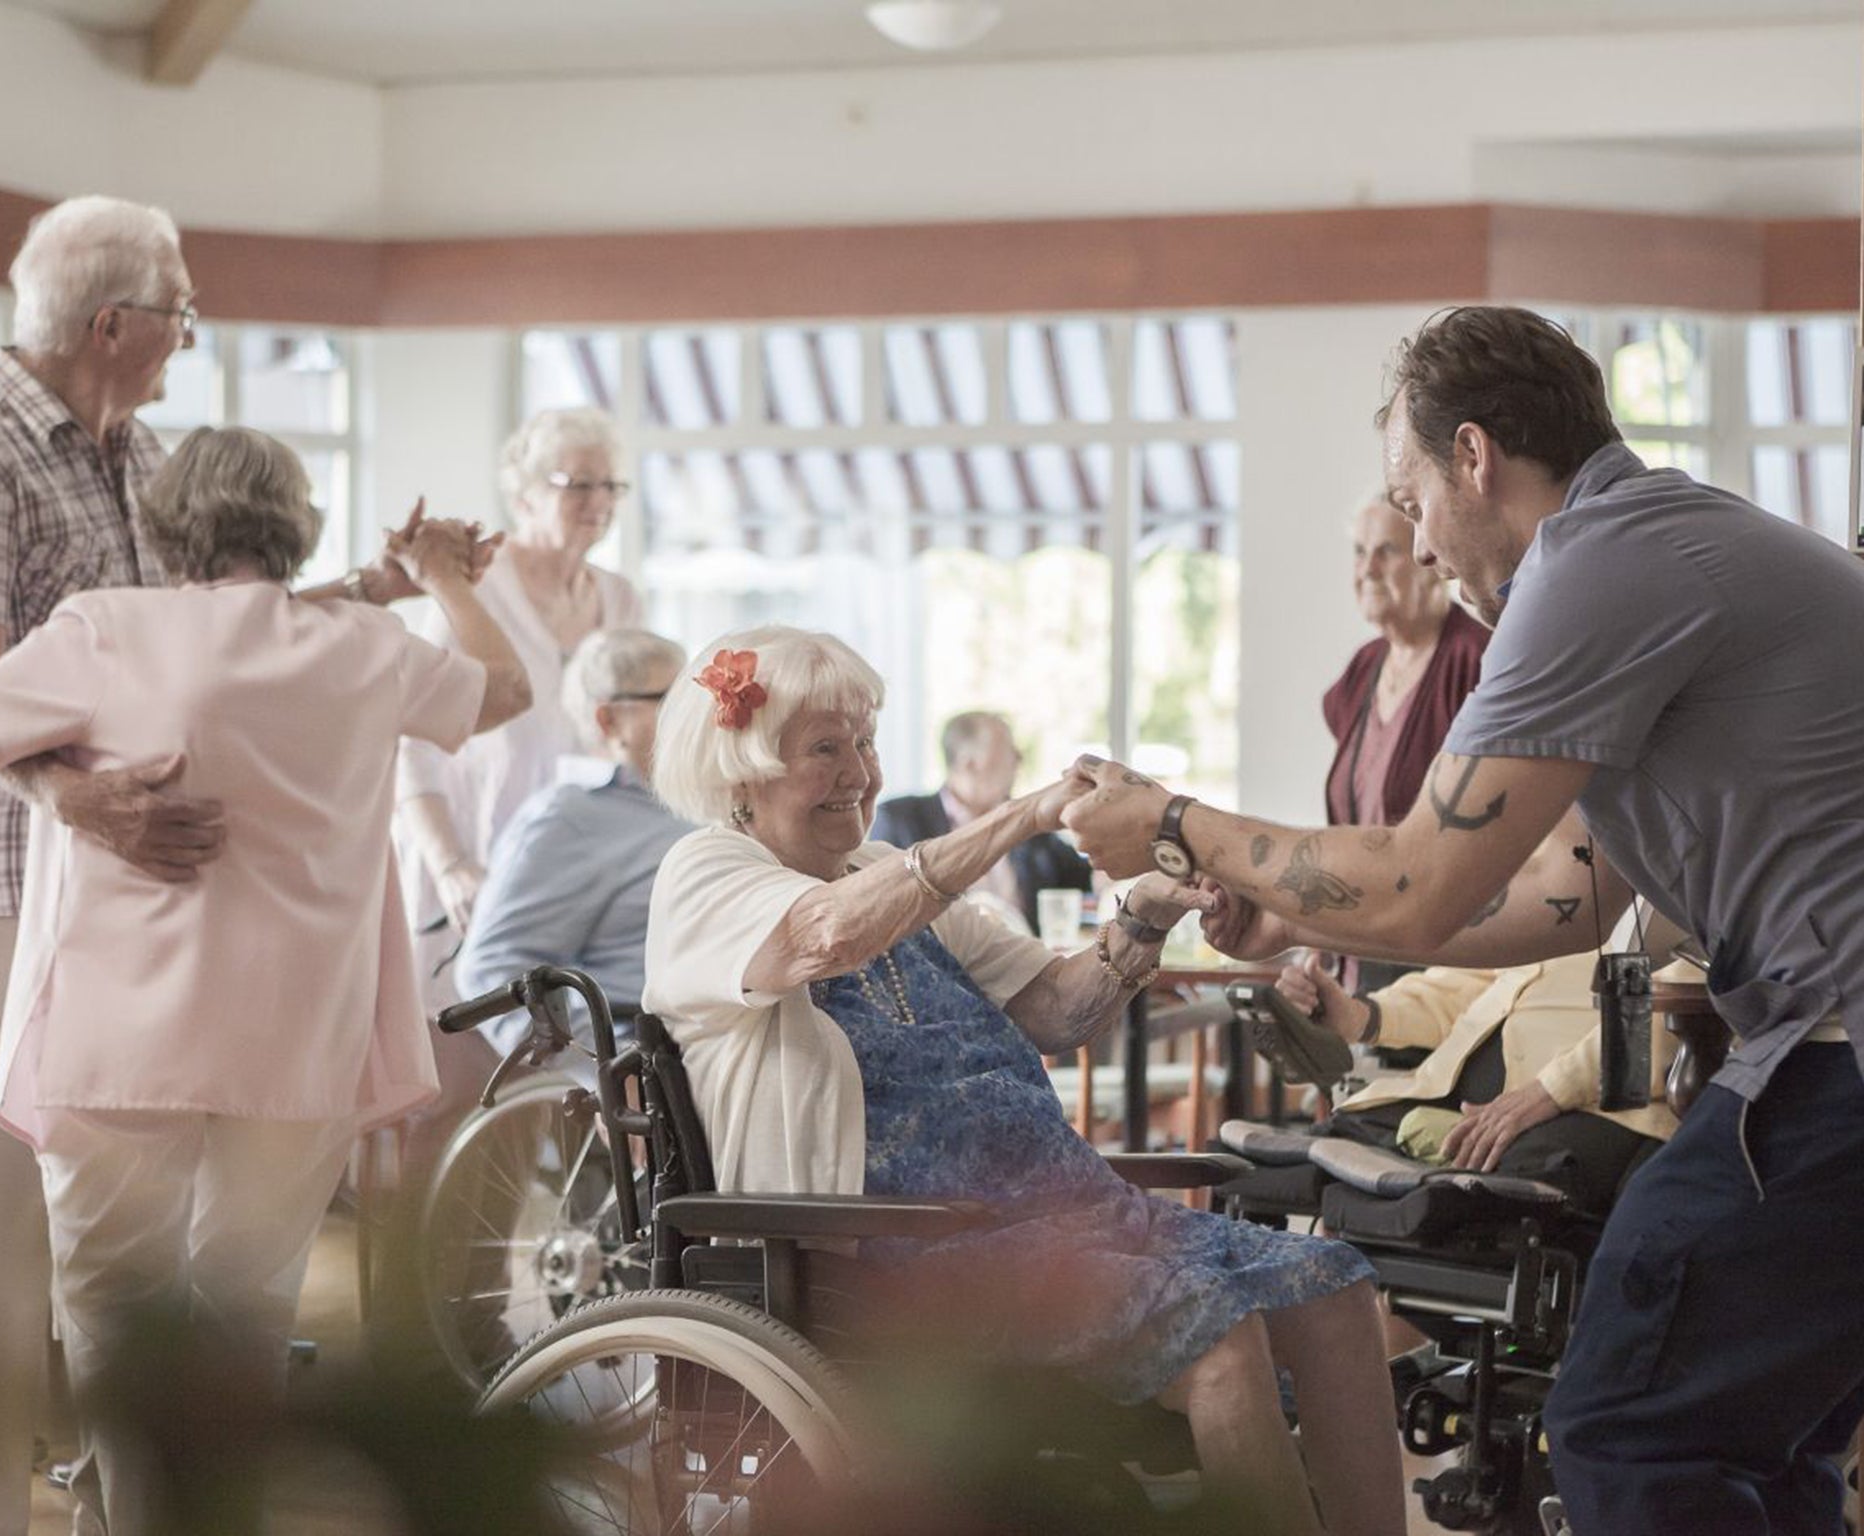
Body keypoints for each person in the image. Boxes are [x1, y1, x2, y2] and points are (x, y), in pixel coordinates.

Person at [1063, 305, 1864, 1536]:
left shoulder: (1594, 564)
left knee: (1624, 1424)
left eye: (1411, 493)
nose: (1419, 540)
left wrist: (1170, 824)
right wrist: (1285, 914)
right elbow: (1567, 892)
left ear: (1474, 457)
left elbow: (1416, 876)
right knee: (1753, 1444)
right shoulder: (1657, 541)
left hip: (1832, 1051)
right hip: (1815, 1045)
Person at [0, 195, 447, 1536]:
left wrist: (364, 594)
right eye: (183, 314)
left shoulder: (140, 455)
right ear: (112, 322)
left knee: (113, 1270)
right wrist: (78, 799)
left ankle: (117, 1514)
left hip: (125, 898)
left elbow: (196, 633)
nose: (190, 340)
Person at [643, 626, 1404, 1536]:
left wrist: (1146, 916)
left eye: (867, 743)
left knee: (1331, 1284)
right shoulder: (707, 875)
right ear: (744, 770)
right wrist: (1024, 815)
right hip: (889, 1255)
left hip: (1058, 1216)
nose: (861, 773)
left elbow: (1057, 1011)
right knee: (1216, 1334)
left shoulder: (885, 871)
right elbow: (827, 937)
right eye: (825, 749)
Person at [398, 406, 644, 953]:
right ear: (524, 495)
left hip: (574, 872)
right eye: (578, 484)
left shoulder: (621, 598)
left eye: (610, 485)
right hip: (471, 857)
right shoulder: (476, 588)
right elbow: (413, 741)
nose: (599, 501)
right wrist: (450, 864)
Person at [1273, 947, 1676, 1215]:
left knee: (1463, 1203)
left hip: (1589, 1108)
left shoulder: (1676, 872)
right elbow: (1474, 982)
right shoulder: (1561, 866)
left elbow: (1683, 996)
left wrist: (1552, 1089)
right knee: (1305, 1161)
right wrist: (1359, 1016)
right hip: (1454, 1100)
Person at [455, 627, 691, 1054]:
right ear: (609, 720)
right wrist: (605, 1066)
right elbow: (492, 969)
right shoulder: (567, 817)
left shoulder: (694, 802)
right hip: (658, 1055)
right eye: (672, 700)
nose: (697, 715)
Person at [1322, 496, 1488, 994]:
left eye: (1385, 552)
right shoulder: (1363, 669)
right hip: (1362, 945)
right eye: (1358, 551)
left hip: (1444, 954)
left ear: (1428, 556)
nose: (1366, 569)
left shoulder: (1475, 659)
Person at [870, 709, 1091, 935]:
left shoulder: (1031, 826)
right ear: (969, 764)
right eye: (1009, 751)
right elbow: (880, 909)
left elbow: (1089, 879)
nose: (1019, 759)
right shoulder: (900, 821)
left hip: (1030, 962)